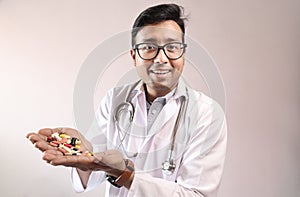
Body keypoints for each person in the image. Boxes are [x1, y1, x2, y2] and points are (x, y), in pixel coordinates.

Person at [27, 3, 227, 197]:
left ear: (183, 53)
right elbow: (94, 169)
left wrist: (125, 175)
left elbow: (197, 195)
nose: (161, 58)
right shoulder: (115, 99)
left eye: (172, 47)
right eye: (149, 47)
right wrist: (83, 157)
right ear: (134, 56)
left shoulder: (207, 114)